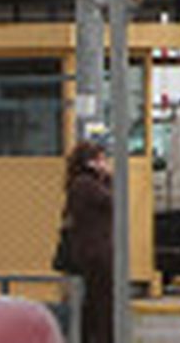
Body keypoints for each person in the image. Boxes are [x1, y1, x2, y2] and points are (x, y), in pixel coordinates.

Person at [63, 141, 113, 343]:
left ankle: (92, 336)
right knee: (100, 302)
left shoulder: (81, 183)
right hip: (95, 253)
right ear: (90, 162)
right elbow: (111, 201)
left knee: (94, 301)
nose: (105, 163)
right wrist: (107, 177)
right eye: (100, 159)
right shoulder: (86, 184)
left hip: (90, 250)